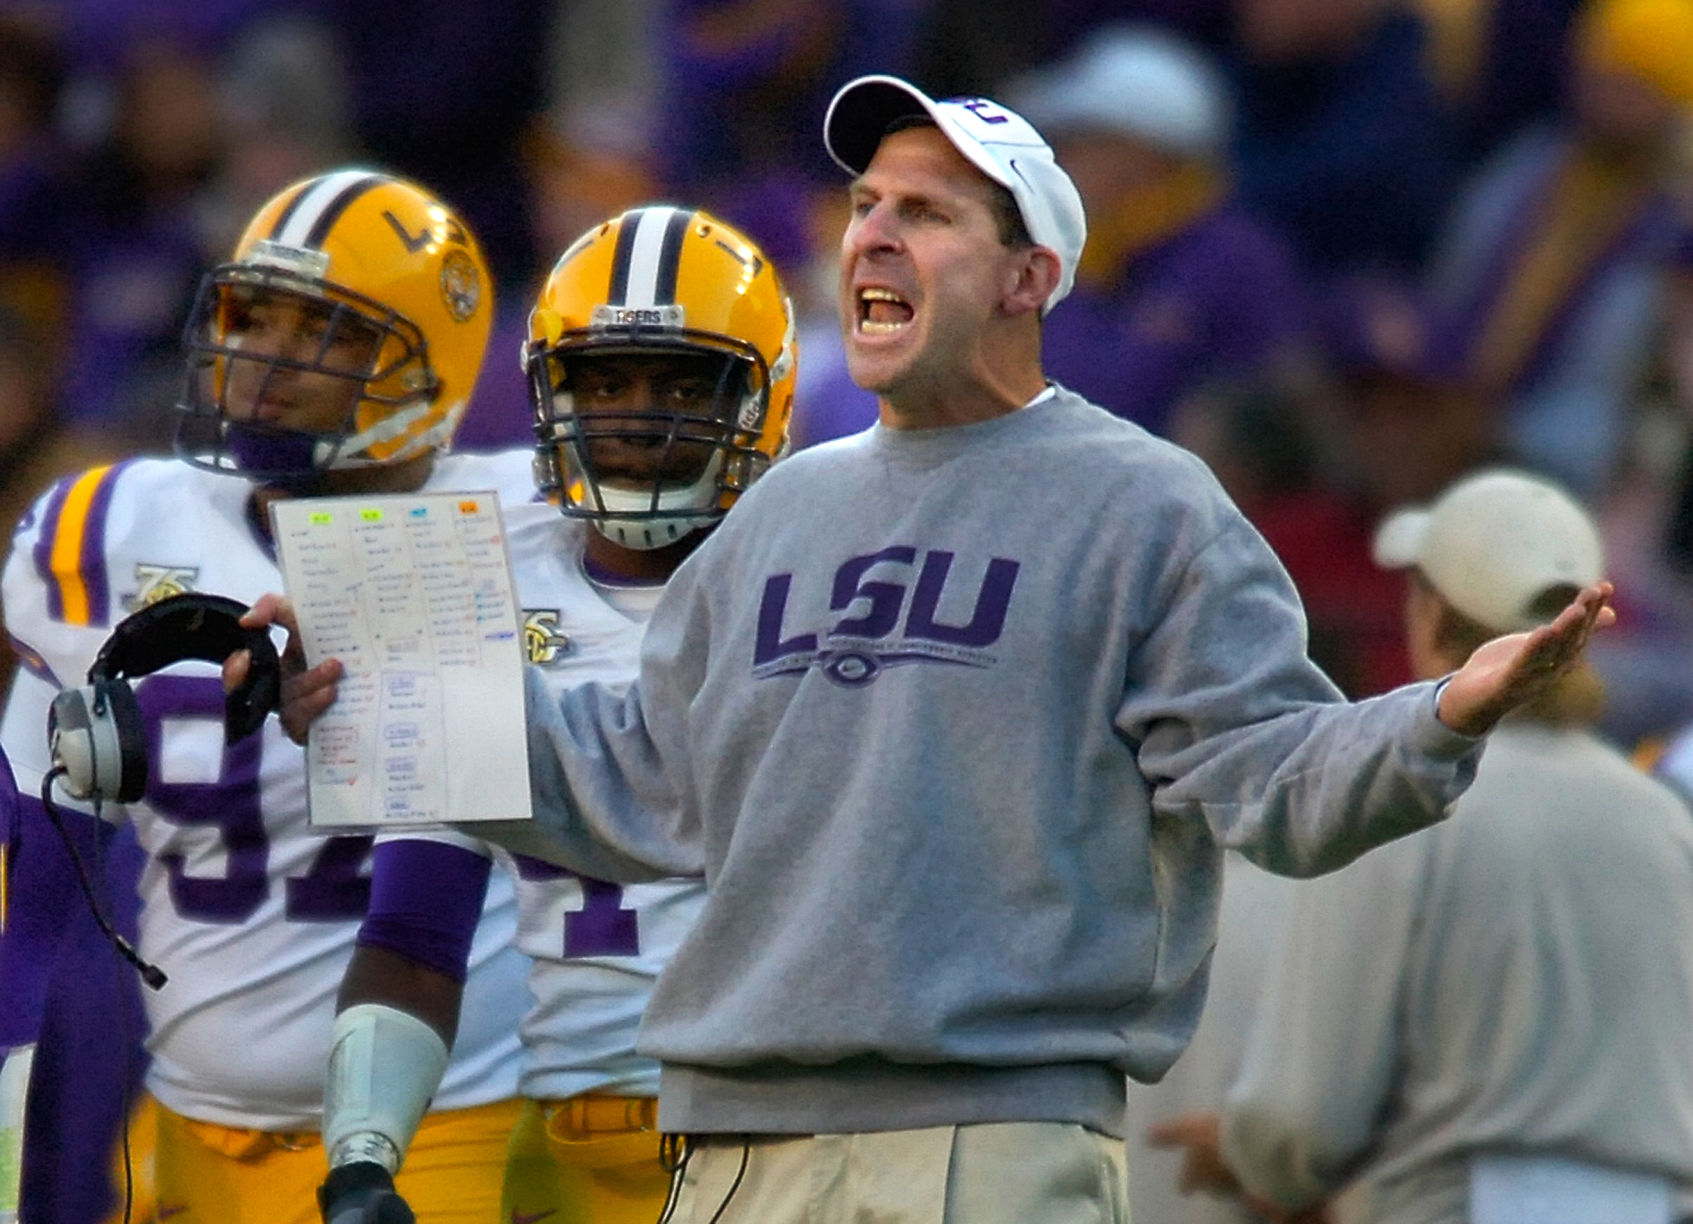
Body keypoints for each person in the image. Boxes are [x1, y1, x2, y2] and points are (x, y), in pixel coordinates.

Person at [259, 80, 1614, 1222]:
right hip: (732, 1156)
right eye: (864, 209)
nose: (873, 240)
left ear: (1030, 277)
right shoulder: (780, 506)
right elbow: (640, 777)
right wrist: (365, 668)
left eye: (927, 214)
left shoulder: (1143, 504)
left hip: (987, 1142)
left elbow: (1278, 776)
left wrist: (1441, 710)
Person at [0, 169, 533, 1222]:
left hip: (444, 1121)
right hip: (183, 1114)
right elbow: (39, 853)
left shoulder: (525, 533)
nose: (266, 361)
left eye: (324, 332)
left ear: (428, 364)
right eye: (254, 317)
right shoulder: (106, 528)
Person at [313, 205, 795, 1223]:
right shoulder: (476, 580)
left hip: (793, 1115)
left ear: (765, 391)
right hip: (579, 1127)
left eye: (681, 383)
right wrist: (362, 1158)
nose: (638, 416)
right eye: (605, 381)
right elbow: (414, 920)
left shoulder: (821, 578)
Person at [1154, 468, 1693, 1223]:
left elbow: (1303, 1119)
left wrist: (1250, 1155)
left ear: (1435, 615)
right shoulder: (1663, 817)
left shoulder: (1399, 808)